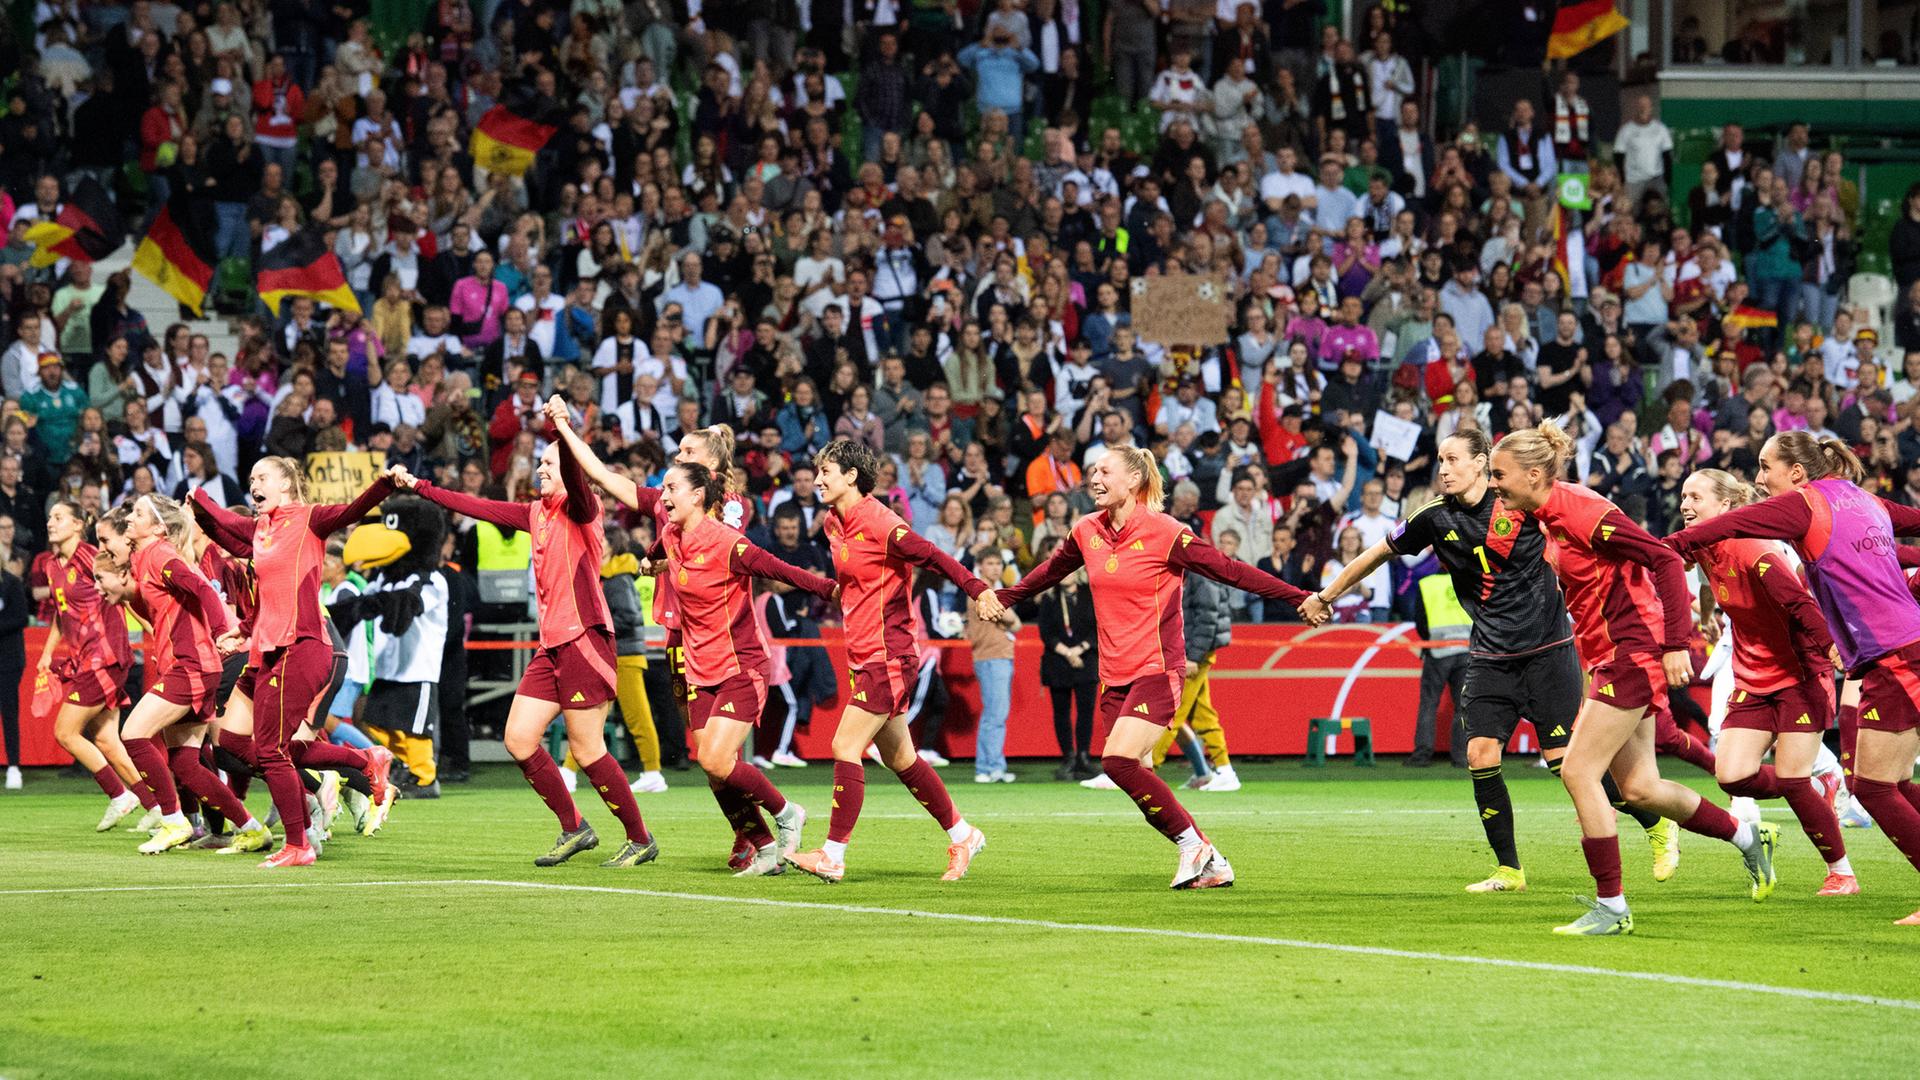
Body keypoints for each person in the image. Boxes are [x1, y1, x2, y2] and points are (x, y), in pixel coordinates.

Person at [1306, 429, 1676, 892]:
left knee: (1567, 765)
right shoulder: (1433, 518)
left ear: (1482, 462)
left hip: (1548, 652)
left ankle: (1656, 824)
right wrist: (1326, 595)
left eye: (1454, 459)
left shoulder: (1522, 506)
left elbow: (1584, 537)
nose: (1443, 469)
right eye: (1440, 460)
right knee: (1480, 755)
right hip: (1488, 655)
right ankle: (1509, 869)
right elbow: (1377, 553)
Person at [1487, 424, 1777, 935]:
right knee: (1641, 788)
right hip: (1611, 656)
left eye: (1498, 475)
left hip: (1632, 653)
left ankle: (1612, 907)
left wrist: (1674, 644)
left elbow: (1663, 559)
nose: (1493, 485)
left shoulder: (1581, 510)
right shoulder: (1543, 514)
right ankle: (1748, 838)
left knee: (1578, 772)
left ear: (1534, 474)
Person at [993, 448, 1313, 888]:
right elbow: (1050, 571)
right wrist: (1006, 597)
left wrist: (1298, 597)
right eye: (1092, 471)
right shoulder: (1086, 530)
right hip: (1113, 675)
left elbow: (1231, 571)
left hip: (1157, 671)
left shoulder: (1167, 533)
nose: (1095, 477)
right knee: (1134, 775)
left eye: (1105, 470)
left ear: (1135, 479)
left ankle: (1191, 846)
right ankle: (1212, 860)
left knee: (1118, 761)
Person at [1665, 431, 1920, 925]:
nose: (1760, 479)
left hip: (1890, 652)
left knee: (1872, 786)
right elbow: (1896, 542)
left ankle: (1840, 859)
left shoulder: (1802, 505)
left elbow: (1738, 522)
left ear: (1797, 473)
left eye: (1766, 466)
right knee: (1892, 783)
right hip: (1893, 650)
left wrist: (1668, 545)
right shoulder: (1860, 499)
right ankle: (1812, 795)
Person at [394, 435, 660, 868]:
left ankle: (640, 838)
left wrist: (562, 430)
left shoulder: (584, 510)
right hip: (552, 645)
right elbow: (475, 506)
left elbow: (576, 477)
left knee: (588, 749)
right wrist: (421, 487)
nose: (541, 470)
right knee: (518, 740)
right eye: (540, 463)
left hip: (584, 641)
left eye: (549, 463)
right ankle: (575, 827)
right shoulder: (536, 512)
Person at [783, 439, 994, 883]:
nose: (818, 479)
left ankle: (834, 855)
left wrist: (978, 590)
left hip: (890, 655)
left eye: (827, 472)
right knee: (901, 758)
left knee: (844, 746)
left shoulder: (883, 523)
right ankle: (964, 834)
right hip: (863, 654)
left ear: (851, 477)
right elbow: (858, 579)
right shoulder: (832, 523)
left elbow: (934, 557)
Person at [188, 458, 397, 866]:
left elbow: (354, 510)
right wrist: (200, 511)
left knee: (271, 751)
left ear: (286, 483)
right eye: (250, 479)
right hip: (266, 651)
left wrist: (384, 484)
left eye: (261, 477)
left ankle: (300, 843)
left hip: (302, 646)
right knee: (232, 743)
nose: (253, 485)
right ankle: (363, 760)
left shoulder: (309, 520)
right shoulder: (262, 531)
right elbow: (221, 534)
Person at [648, 454, 835, 875]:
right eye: (662, 488)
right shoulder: (670, 533)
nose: (663, 496)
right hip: (699, 669)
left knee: (716, 761)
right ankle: (767, 850)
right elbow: (659, 551)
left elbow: (780, 568)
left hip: (741, 667)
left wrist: (828, 588)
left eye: (671, 488)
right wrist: (648, 560)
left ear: (698, 496)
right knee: (715, 772)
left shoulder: (726, 543)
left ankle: (788, 812)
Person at [1677, 469, 1855, 895]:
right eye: (1683, 496)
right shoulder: (1703, 547)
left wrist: (1832, 647)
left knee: (1791, 778)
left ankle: (1842, 871)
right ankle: (1818, 785)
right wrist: (1705, 617)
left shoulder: (1753, 548)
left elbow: (1797, 600)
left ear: (1724, 507)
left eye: (1695, 497)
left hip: (1800, 675)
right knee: (1732, 776)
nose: (1685, 504)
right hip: (1752, 678)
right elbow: (1698, 580)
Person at [94, 499, 267, 857]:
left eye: (139, 514)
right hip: (192, 665)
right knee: (185, 762)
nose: (131, 518)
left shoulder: (159, 554)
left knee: (133, 734)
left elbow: (202, 588)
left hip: (192, 666)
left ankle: (173, 821)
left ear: (158, 528)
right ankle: (251, 828)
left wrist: (224, 630)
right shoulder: (146, 557)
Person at [35, 501, 145, 827]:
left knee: (65, 732)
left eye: (59, 517)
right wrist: (46, 652)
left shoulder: (90, 556)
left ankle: (120, 795)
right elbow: (61, 610)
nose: (51, 522)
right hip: (83, 658)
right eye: (50, 516)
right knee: (107, 739)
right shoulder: (52, 565)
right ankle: (157, 806)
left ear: (78, 524)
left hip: (105, 655)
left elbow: (125, 592)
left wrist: (155, 629)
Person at [1034, 545, 1099, 780]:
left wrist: (1079, 650)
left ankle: (1083, 756)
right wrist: (1067, 652)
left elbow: (1099, 627)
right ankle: (1068, 757)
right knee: (1061, 713)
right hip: (1058, 662)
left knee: (1086, 712)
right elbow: (1046, 633)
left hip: (1087, 661)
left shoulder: (1090, 593)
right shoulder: (1050, 598)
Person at [966, 550, 1019, 784]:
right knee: (995, 715)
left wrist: (1009, 619)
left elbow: (1014, 623)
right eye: (990, 563)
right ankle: (990, 767)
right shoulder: (982, 593)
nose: (996, 568)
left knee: (995, 714)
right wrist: (1009, 618)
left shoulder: (993, 592)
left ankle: (989, 766)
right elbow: (1011, 620)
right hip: (991, 656)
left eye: (998, 563)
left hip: (998, 656)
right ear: (980, 566)